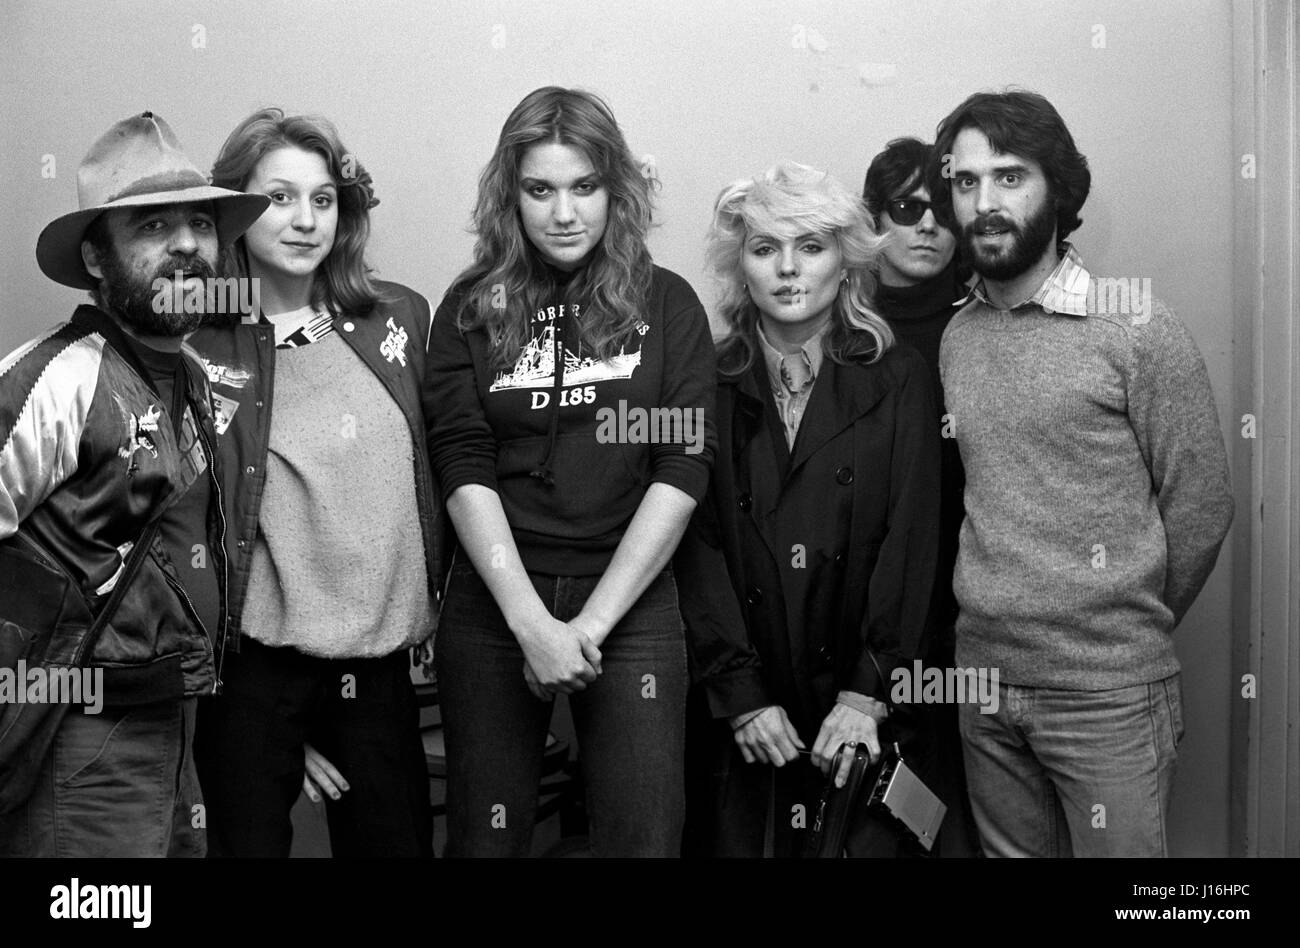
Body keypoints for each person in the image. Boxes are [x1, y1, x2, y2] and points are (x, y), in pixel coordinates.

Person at [927, 90, 1234, 857]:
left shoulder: (1135, 327)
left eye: (1009, 176)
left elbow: (1202, 504)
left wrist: (1117, 623)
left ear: (1057, 189)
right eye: (966, 183)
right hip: (983, 682)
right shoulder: (959, 336)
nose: (985, 203)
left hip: (1110, 695)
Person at [427, 86, 717, 857]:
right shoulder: (468, 306)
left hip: (630, 602)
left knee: (645, 836)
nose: (564, 212)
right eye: (541, 189)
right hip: (495, 603)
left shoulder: (669, 302)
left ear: (615, 191)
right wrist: (530, 624)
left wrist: (587, 629)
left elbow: (682, 466)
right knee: (486, 841)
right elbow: (462, 460)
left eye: (584, 187)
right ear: (509, 195)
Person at [0, 112, 267, 856]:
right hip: (77, 736)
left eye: (202, 225)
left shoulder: (189, 375)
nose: (188, 245)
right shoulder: (60, 376)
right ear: (96, 256)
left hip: (171, 724)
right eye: (154, 226)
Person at [190, 109, 442, 857]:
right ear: (234, 210)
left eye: (323, 199)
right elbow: (182, 527)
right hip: (252, 675)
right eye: (278, 198)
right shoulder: (198, 348)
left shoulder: (398, 319)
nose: (305, 220)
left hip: (379, 665)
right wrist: (278, 731)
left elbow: (441, 472)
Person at [676, 161, 941, 857]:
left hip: (859, 710)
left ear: (845, 262)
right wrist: (740, 694)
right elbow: (695, 547)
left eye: (811, 247)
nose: (788, 269)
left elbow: (912, 543)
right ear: (742, 269)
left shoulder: (899, 377)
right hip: (748, 714)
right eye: (766, 249)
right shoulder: (710, 380)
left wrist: (866, 694)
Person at [863, 137, 980, 857]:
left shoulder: (986, 324)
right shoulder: (845, 329)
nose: (929, 224)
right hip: (874, 610)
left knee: (966, 810)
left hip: (972, 611)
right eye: (908, 208)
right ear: (874, 219)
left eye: (943, 208)